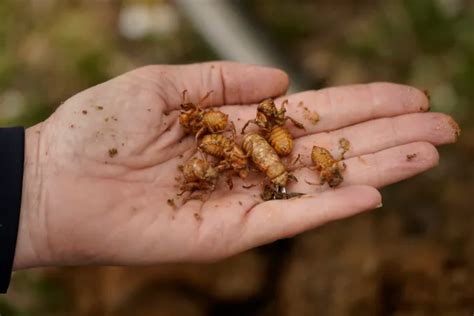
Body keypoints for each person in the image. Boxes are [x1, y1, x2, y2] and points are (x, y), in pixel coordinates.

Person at [0, 61, 459, 293]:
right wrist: (34, 179)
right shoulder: (227, 147)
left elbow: (258, 147)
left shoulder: (259, 144)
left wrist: (32, 179)